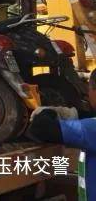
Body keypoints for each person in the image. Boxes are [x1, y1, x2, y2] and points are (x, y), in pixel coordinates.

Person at [27, 69, 96, 200]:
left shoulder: (90, 129)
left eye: (89, 89)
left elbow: (41, 128)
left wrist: (49, 111)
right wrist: (74, 113)